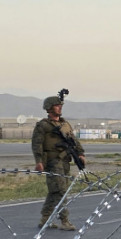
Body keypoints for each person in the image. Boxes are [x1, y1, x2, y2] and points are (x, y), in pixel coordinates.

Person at [31, 93, 85, 231]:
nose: (59, 108)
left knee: (55, 191)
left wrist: (80, 153)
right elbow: (37, 144)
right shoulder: (43, 125)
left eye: (60, 105)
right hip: (52, 161)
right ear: (49, 108)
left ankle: (45, 219)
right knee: (61, 191)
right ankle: (65, 220)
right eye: (56, 106)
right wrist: (38, 161)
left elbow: (73, 140)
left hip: (65, 160)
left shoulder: (64, 124)